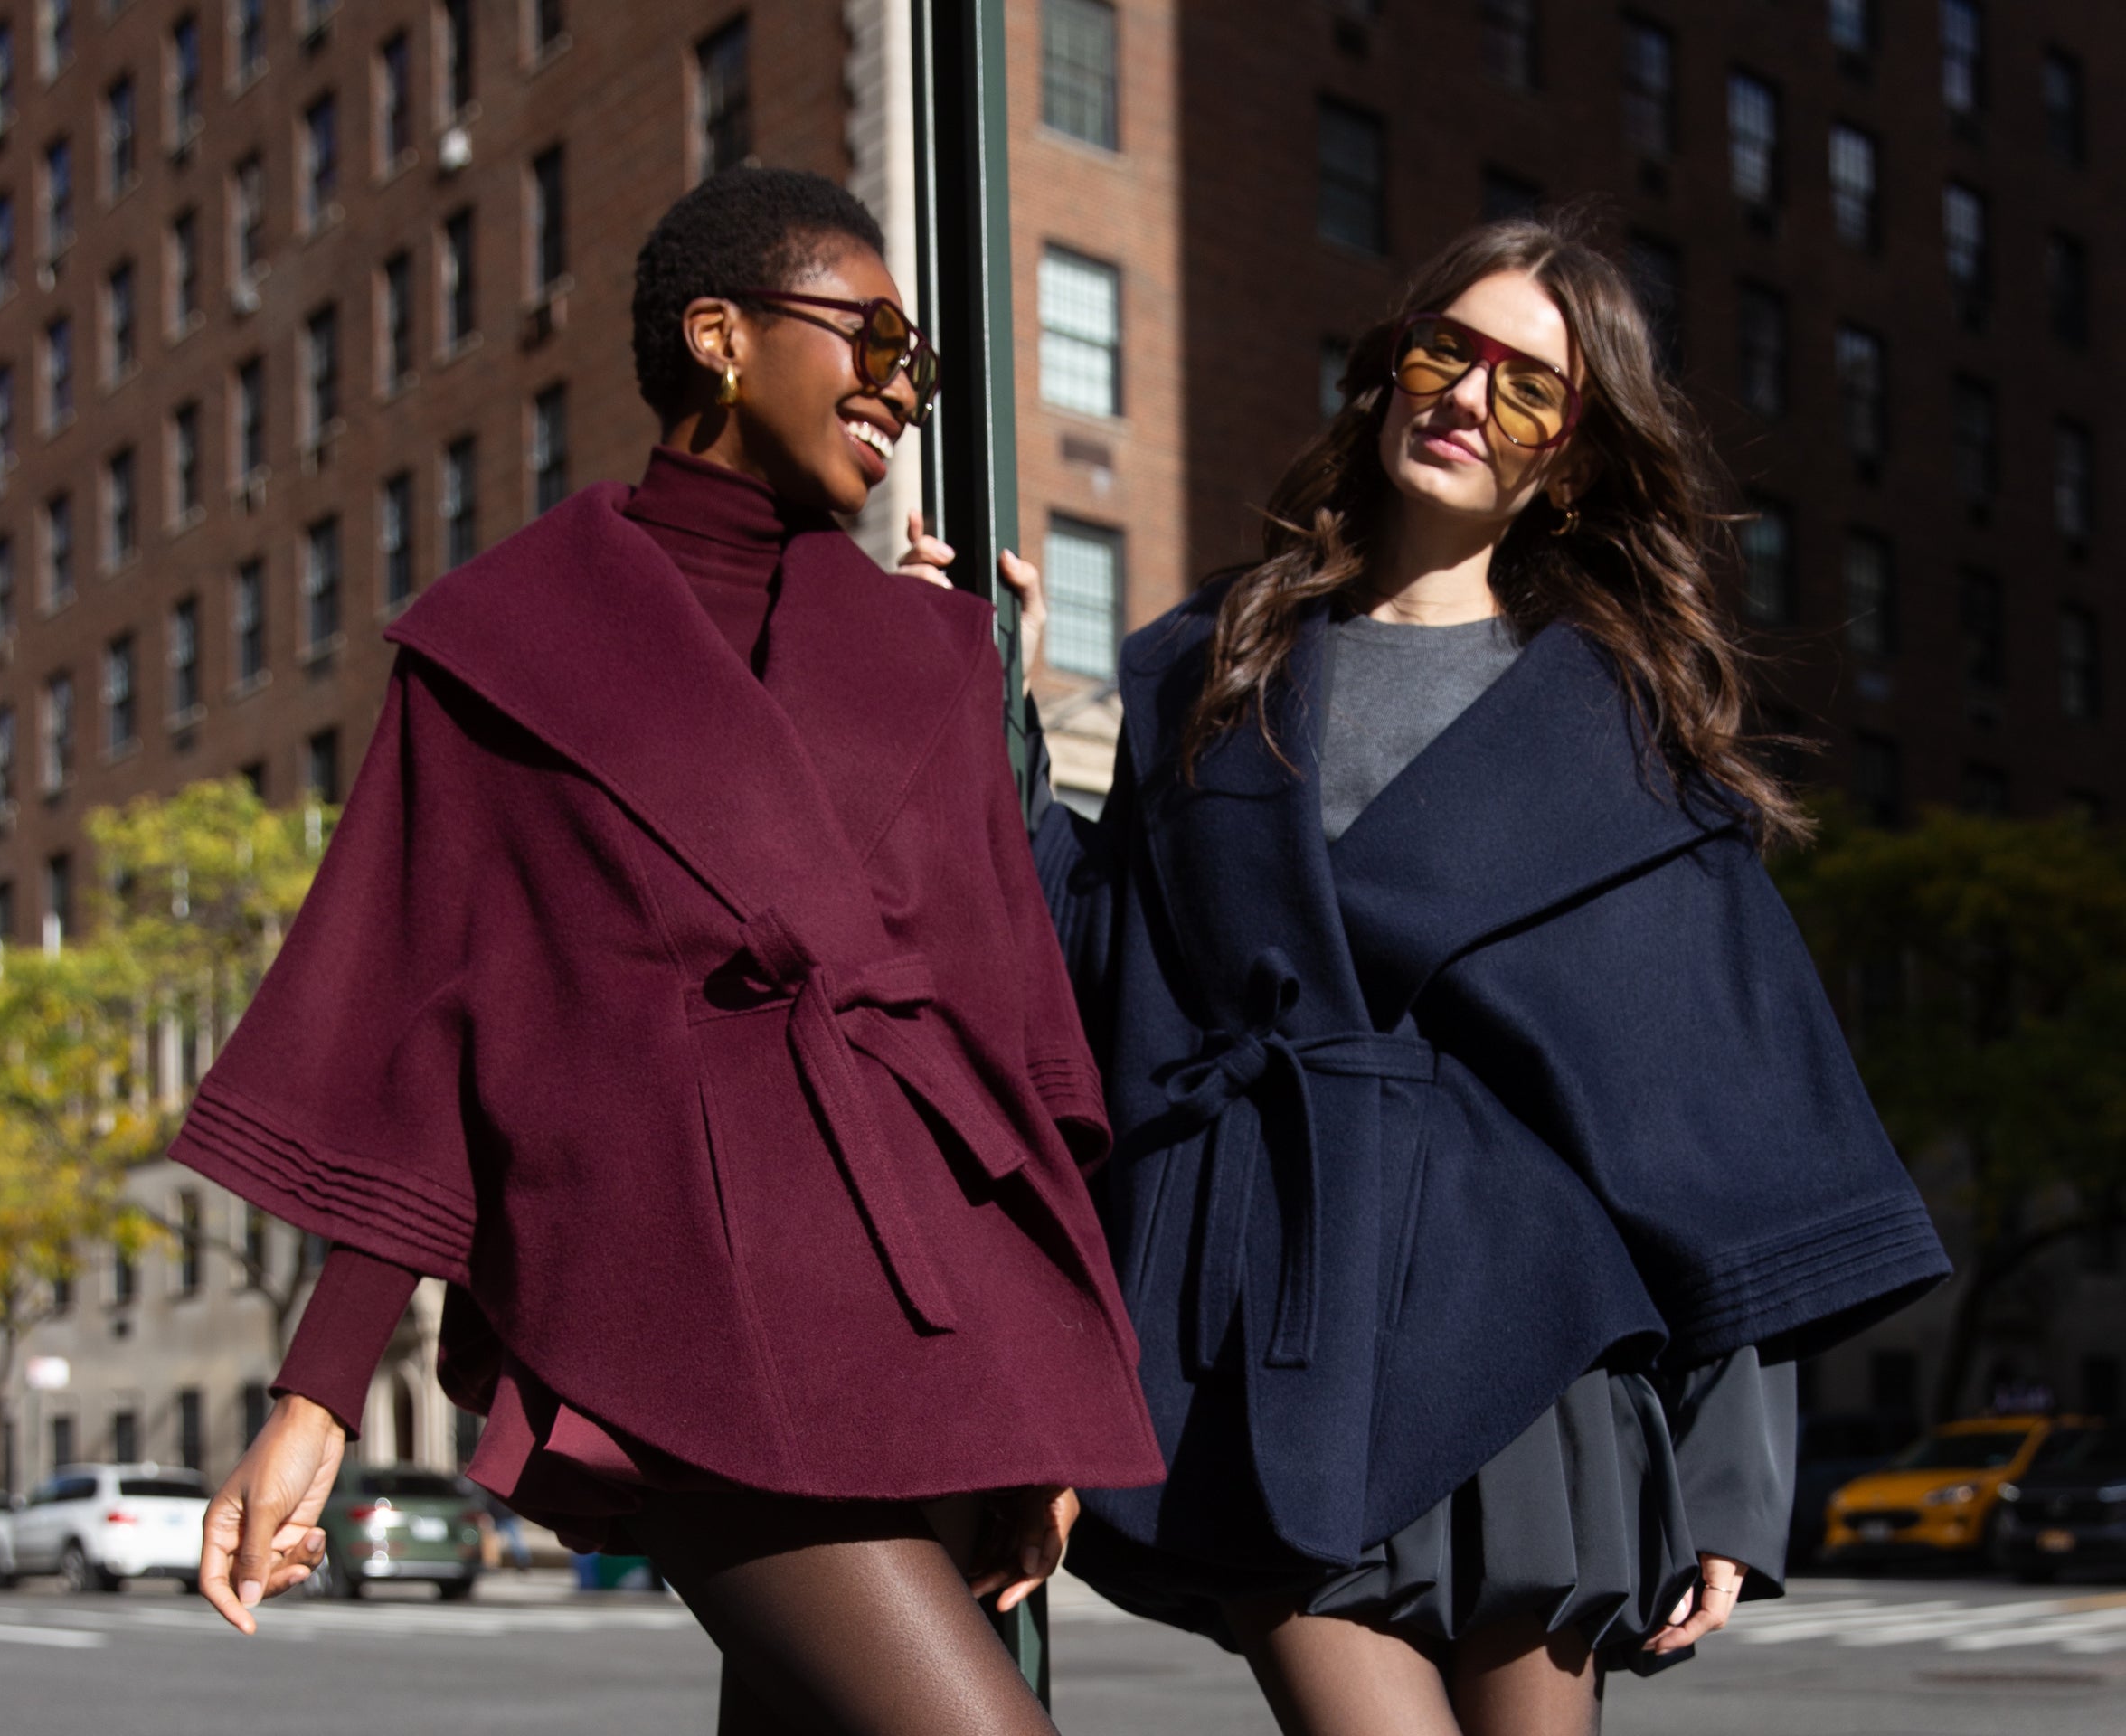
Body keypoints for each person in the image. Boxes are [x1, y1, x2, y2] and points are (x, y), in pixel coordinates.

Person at [174, 167, 1161, 1733]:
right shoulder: (502, 644)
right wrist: (317, 1393)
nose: (899, 390)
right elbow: (432, 1027)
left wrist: (1041, 1386)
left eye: (919, 364)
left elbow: (1011, 1026)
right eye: (872, 339)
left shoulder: (934, 649)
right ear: (719, 334)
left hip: (924, 1306)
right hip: (671, 1295)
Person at [987, 212, 1951, 1733]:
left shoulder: (1623, 731)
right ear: (1383, 375)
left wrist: (1731, 1471)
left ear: (1569, 457)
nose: (1467, 400)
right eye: (1449, 352)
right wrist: (1003, 715)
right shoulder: (1213, 661)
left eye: (1529, 388)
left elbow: (1719, 1115)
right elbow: (1102, 965)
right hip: (1268, 1314)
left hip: (1529, 1336)